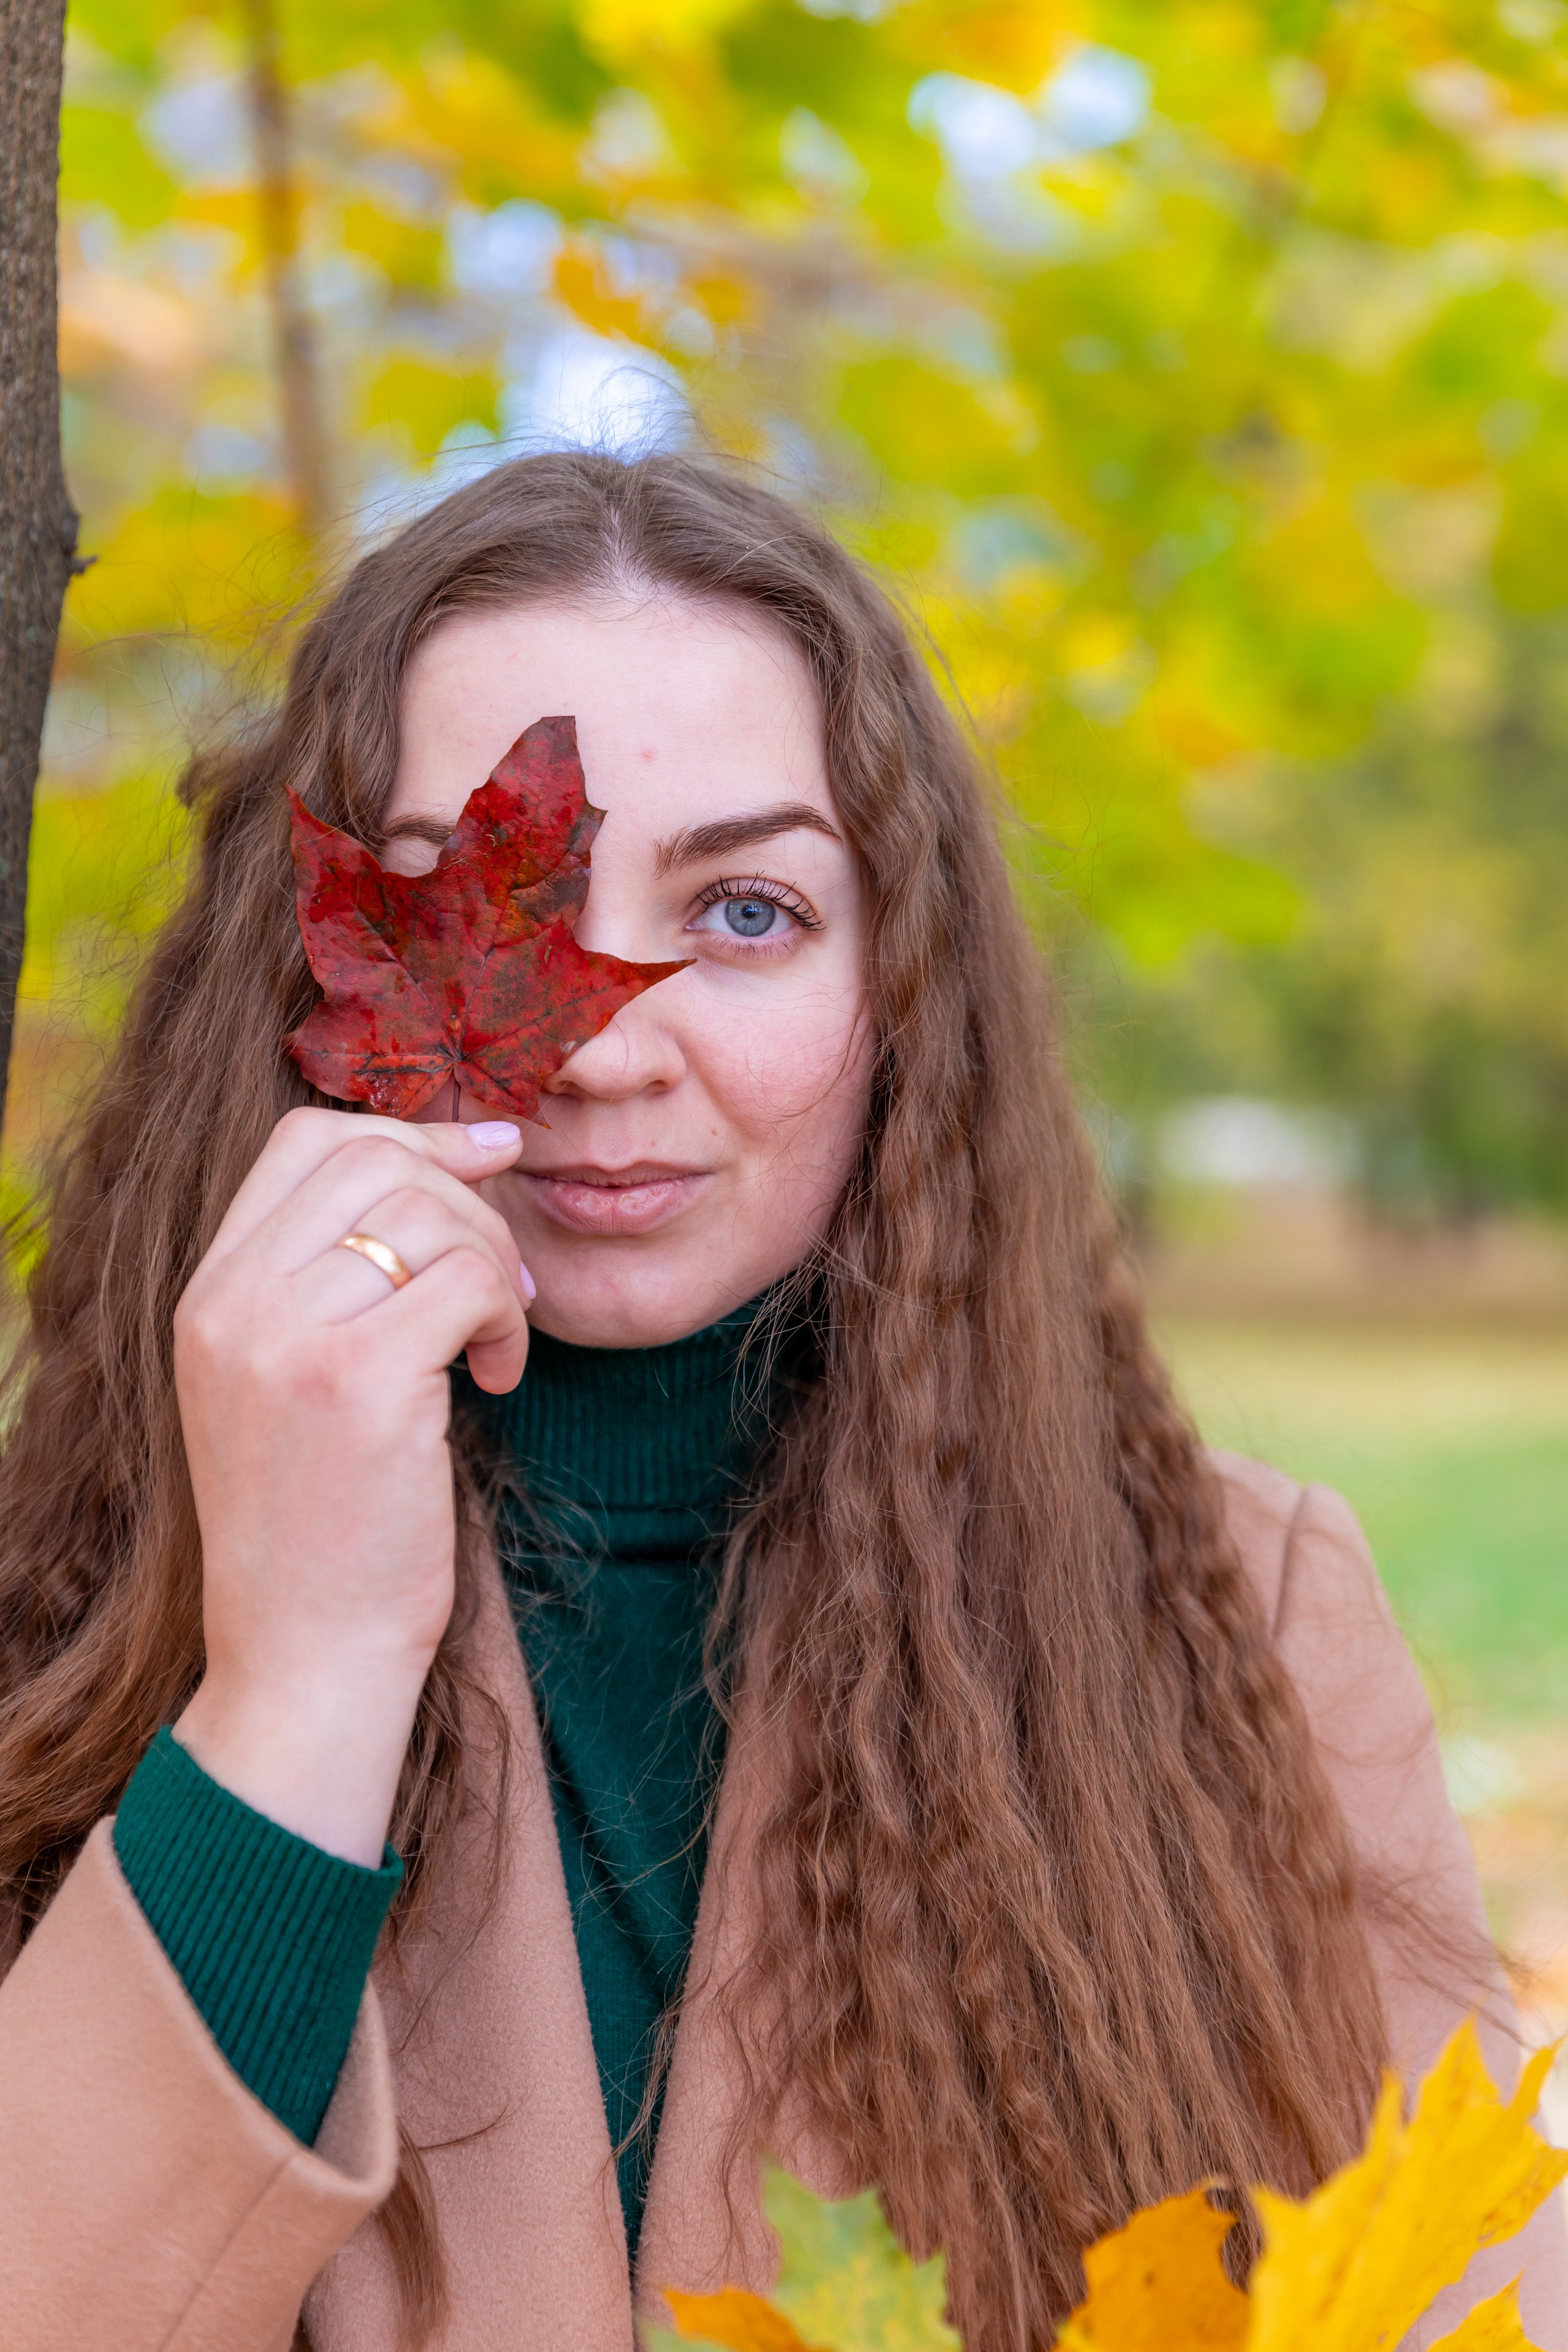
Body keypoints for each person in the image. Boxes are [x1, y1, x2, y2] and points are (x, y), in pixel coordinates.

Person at [0, 453, 1560, 2352]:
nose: (606, 1050)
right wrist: (292, 1686)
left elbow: (1451, 2299)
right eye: (480, 915)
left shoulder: (1252, 1610)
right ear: (312, 972)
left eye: (743, 912)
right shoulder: (57, 1607)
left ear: (902, 992)